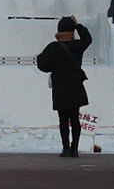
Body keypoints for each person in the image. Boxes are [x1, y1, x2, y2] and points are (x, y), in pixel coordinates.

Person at [36, 16, 92, 157]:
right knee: (75, 118)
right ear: (72, 31)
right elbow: (88, 39)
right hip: (75, 86)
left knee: (63, 119)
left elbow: (42, 65)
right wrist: (78, 25)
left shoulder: (52, 47)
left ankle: (66, 148)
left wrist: (53, 66)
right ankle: (75, 148)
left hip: (60, 88)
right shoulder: (77, 46)